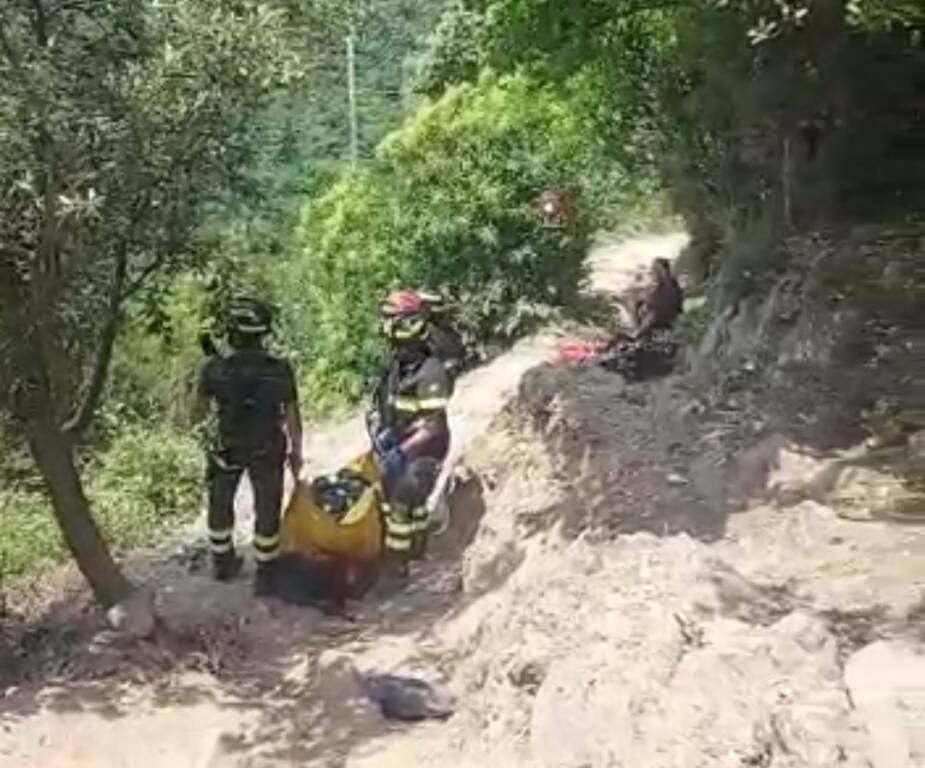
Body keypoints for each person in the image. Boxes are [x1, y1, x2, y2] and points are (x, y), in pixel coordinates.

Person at [194, 297, 303, 597]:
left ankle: (222, 561)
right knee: (267, 508)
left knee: (220, 503)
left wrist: (206, 439)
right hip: (267, 446)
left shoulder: (214, 369)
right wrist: (297, 451)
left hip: (225, 446)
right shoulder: (280, 370)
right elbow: (292, 414)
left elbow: (197, 414)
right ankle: (265, 574)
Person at [369, 290, 453, 581]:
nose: (384, 324)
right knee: (402, 501)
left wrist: (401, 452)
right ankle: (417, 547)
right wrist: (386, 434)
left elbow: (433, 427)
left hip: (426, 449)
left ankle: (396, 567)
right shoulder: (400, 364)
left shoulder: (431, 373)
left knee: (401, 503)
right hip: (401, 440)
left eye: (390, 319)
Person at [633, 258, 684, 339]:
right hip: (669, 315)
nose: (652, 273)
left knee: (644, 310)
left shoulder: (667, 287)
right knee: (641, 304)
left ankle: (638, 333)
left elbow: (659, 307)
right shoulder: (672, 283)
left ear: (662, 271)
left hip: (663, 318)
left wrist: (647, 304)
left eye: (654, 270)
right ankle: (639, 331)